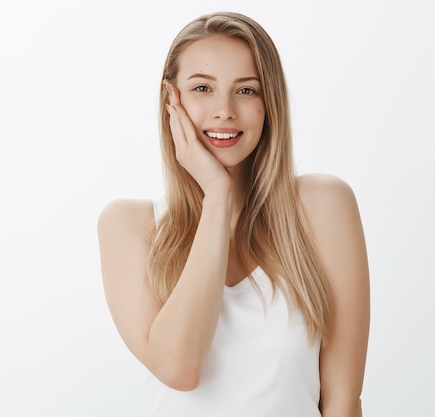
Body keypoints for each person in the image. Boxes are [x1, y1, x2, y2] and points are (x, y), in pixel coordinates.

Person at [97, 11, 369, 417]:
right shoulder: (129, 225)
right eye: (203, 87)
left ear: (269, 103)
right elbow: (179, 368)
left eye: (246, 91)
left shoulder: (323, 207)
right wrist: (217, 195)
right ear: (172, 101)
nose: (224, 110)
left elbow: (342, 400)